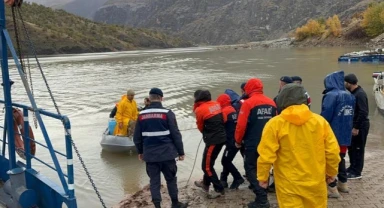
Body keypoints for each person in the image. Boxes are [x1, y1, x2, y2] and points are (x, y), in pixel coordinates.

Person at [257, 83, 341, 208]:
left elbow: (266, 154)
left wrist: (263, 177)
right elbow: (332, 152)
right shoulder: (320, 122)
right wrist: (331, 173)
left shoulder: (274, 124)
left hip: (288, 184)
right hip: (315, 182)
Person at [133, 88, 187, 208]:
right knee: (171, 179)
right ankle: (175, 203)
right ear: (161, 98)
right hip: (167, 154)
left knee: (154, 182)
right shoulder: (168, 113)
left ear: (150, 98)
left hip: (150, 156)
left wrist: (140, 152)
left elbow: (137, 137)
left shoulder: (141, 115)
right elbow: (176, 134)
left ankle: (157, 206)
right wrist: (181, 152)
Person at [235, 78, 277, 208]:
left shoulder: (248, 103)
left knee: (250, 168)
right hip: (269, 141)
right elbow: (277, 123)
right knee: (264, 167)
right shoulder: (271, 103)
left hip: (253, 142)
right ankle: (263, 193)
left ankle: (262, 198)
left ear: (249, 88)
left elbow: (241, 125)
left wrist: (237, 141)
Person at [321, 70, 355, 198]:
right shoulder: (350, 96)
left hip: (332, 134)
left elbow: (325, 116)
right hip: (346, 134)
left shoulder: (331, 95)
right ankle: (343, 183)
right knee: (341, 158)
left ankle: (332, 188)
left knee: (330, 160)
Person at [193, 90, 226, 199]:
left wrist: (207, 134)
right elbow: (224, 119)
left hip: (213, 140)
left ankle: (219, 189)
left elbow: (200, 127)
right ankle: (205, 184)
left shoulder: (200, 109)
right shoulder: (216, 104)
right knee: (208, 162)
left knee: (206, 167)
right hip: (221, 138)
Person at [216, 94, 245, 189]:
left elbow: (219, 126)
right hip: (237, 140)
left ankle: (238, 178)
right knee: (227, 159)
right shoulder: (233, 110)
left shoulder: (224, 112)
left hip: (231, 142)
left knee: (225, 161)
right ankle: (224, 180)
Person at [344, 73, 370, 179]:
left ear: (349, 83)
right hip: (354, 125)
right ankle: (352, 167)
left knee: (358, 149)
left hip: (360, 126)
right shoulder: (353, 93)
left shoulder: (360, 94)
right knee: (352, 148)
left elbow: (363, 112)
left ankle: (357, 172)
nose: (344, 84)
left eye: (345, 82)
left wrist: (356, 127)